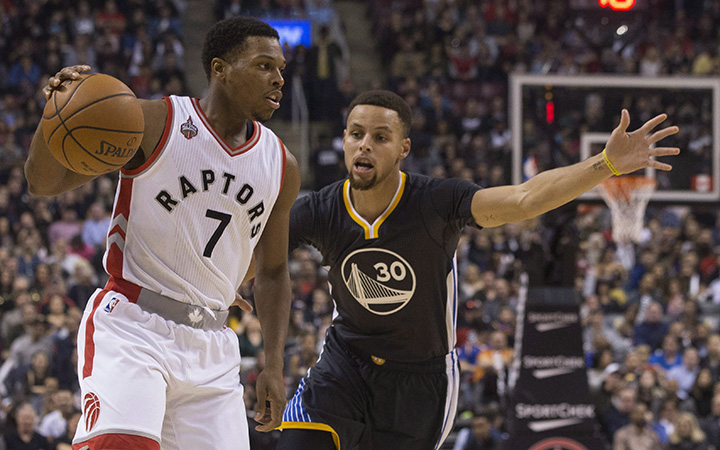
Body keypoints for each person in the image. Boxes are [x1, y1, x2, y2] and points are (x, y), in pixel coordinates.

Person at [273, 90, 679, 449]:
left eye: (380, 137)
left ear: (403, 148)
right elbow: (257, 253)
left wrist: (606, 163)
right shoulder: (319, 209)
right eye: (355, 134)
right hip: (345, 364)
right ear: (343, 139)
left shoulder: (436, 202)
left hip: (420, 381)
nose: (364, 145)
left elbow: (524, 199)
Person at [24, 17, 300, 450]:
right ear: (220, 68)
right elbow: (43, 184)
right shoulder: (154, 121)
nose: (279, 78)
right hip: (134, 328)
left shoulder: (282, 165)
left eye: (280, 67)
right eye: (264, 65)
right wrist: (55, 115)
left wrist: (274, 362)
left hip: (213, 346)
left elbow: (275, 270)